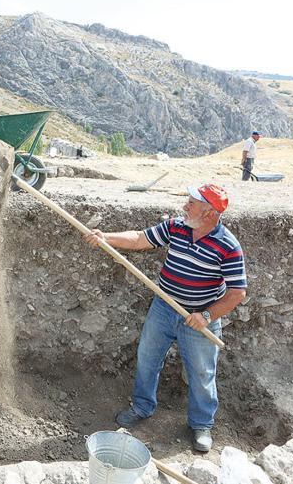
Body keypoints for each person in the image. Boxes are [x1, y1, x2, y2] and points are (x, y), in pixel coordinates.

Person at [82, 184, 247, 453]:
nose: (184, 207)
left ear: (209, 213)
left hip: (198, 317)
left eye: (191, 204)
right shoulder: (176, 227)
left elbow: (237, 292)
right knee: (147, 357)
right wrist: (105, 237)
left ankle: (201, 424)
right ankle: (142, 407)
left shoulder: (228, 246)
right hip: (164, 307)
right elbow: (139, 238)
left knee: (202, 372)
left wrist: (207, 316)